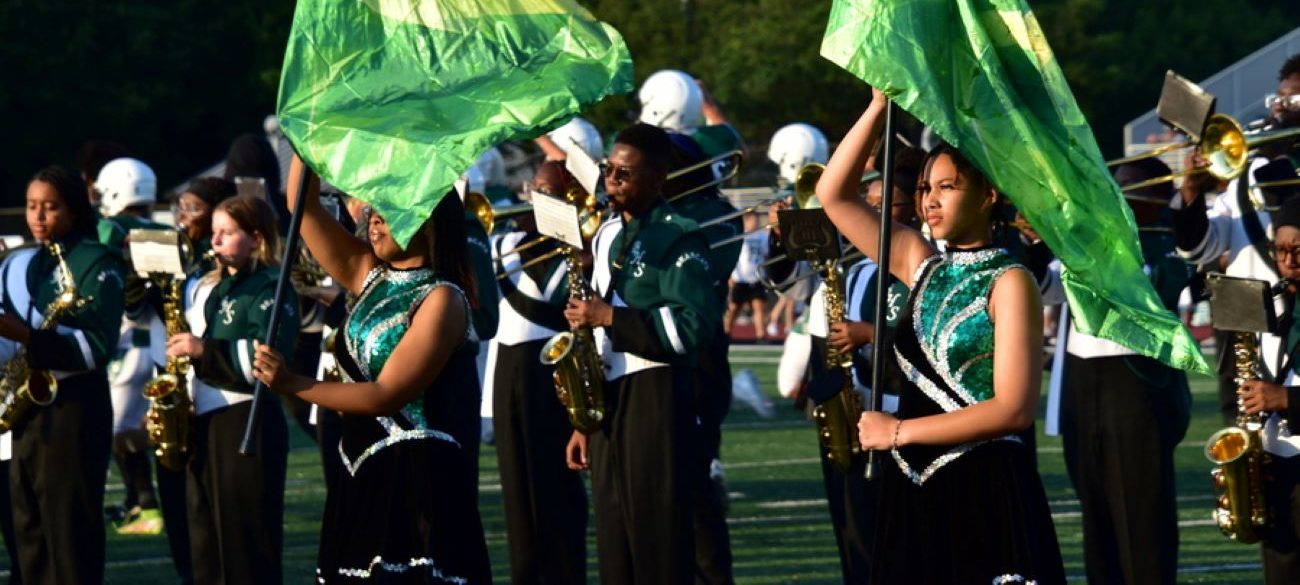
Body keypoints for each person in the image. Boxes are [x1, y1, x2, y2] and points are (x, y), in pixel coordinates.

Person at [818, 93, 1065, 584]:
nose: (929, 200)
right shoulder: (919, 263)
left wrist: (899, 433)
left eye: (947, 186)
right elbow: (834, 195)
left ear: (989, 193)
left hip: (983, 488)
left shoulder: (1011, 280)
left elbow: (1013, 409)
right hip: (911, 487)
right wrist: (876, 110)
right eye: (927, 187)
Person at [253, 156, 492, 584]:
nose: (374, 224)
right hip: (361, 468)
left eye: (387, 216)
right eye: (373, 214)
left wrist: (295, 384)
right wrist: (304, 130)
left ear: (426, 221)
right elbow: (301, 205)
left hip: (418, 479)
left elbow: (387, 394)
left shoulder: (443, 299)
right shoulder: (369, 274)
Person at [563, 123, 721, 583]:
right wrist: (582, 419)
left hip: (657, 393)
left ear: (658, 178)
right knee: (615, 545)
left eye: (625, 174)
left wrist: (610, 318)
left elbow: (693, 328)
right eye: (609, 170)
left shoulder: (679, 236)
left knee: (657, 544)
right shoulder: (608, 232)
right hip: (609, 396)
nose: (612, 181)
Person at [1029, 158, 1191, 584]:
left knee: (1143, 525)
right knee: (1096, 520)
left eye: (1129, 192)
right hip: (1082, 388)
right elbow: (1044, 289)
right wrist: (1036, 242)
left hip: (1136, 393)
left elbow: (1139, 288)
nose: (1116, 198)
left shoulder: (1164, 244)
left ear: (1155, 203)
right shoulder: (1083, 245)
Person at [0, 166, 126, 584]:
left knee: (69, 533)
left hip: (75, 407)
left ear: (73, 210)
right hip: (28, 409)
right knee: (28, 528)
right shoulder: (27, 262)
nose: (38, 217)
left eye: (50, 208)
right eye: (33, 207)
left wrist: (17, 332)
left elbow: (96, 348)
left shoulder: (96, 261)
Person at [163, 194, 294, 585]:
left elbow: (267, 359)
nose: (215, 241)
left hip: (247, 419)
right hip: (208, 418)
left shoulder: (270, 285)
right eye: (214, 233)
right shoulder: (221, 288)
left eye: (227, 232)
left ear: (257, 238)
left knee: (245, 544)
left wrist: (202, 349)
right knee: (207, 542)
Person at [1173, 54, 1300, 425]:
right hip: (1245, 326)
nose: (1279, 107)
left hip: (1293, 330)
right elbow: (1201, 248)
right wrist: (1191, 194)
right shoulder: (1247, 174)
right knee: (1245, 451)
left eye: (1292, 100)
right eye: (1278, 98)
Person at [486, 160, 589, 584]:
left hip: (559, 370)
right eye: (533, 188)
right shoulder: (507, 243)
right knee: (518, 490)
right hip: (512, 369)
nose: (534, 196)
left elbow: (562, 301)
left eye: (546, 190)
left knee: (559, 493)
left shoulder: (582, 249)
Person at [93, 157, 170, 535]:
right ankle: (140, 502)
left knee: (117, 431)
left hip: (126, 343)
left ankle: (146, 504)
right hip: (157, 343)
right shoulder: (162, 229)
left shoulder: (111, 228)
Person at [1236, 194, 1300, 583]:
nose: (1290, 261)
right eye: (1281, 250)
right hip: (1278, 465)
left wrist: (1286, 399)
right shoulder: (1276, 305)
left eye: (1299, 250)